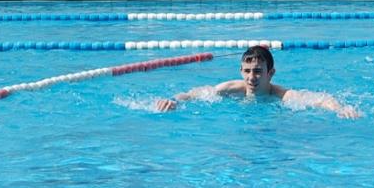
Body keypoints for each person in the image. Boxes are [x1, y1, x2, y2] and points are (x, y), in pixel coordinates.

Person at [155, 45, 361, 119]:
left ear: (270, 73)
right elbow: (193, 94)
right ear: (241, 71)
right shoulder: (230, 89)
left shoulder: (282, 96)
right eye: (247, 71)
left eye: (258, 71)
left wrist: (341, 108)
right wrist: (174, 100)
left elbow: (321, 99)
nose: (251, 78)